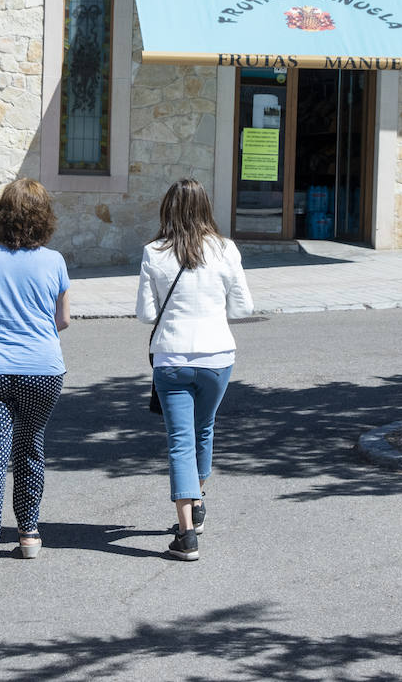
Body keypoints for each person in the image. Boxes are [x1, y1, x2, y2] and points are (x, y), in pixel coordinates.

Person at [0, 178, 71, 592]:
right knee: (30, 445)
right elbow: (61, 320)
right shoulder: (55, 262)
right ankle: (28, 533)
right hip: (42, 370)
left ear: (1, 216)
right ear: (44, 219)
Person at [136, 178, 252, 561]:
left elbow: (146, 314)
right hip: (217, 357)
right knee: (204, 429)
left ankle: (186, 533)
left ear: (168, 209)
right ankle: (197, 503)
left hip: (171, 359)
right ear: (206, 208)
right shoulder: (226, 250)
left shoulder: (154, 252)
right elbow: (242, 309)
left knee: (179, 442)